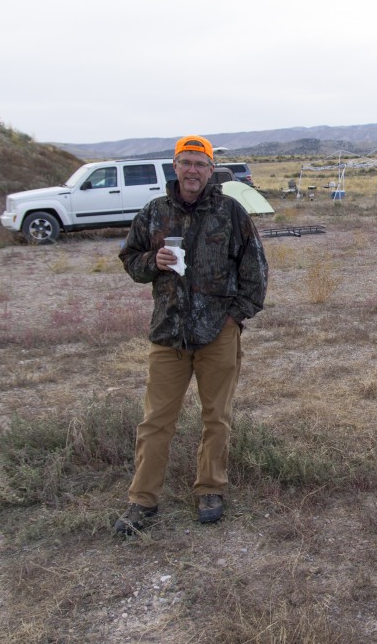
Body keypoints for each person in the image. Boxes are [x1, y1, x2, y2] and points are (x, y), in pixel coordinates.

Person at [114, 135, 268, 535]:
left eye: (201, 163)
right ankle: (142, 501)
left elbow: (256, 270)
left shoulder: (231, 212)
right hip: (168, 334)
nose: (193, 170)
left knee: (216, 417)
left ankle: (210, 490)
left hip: (218, 333)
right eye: (186, 162)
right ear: (174, 166)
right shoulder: (154, 211)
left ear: (211, 168)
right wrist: (154, 260)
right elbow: (130, 260)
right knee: (155, 421)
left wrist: (235, 318)